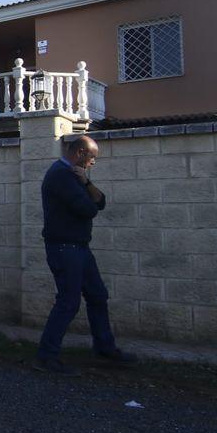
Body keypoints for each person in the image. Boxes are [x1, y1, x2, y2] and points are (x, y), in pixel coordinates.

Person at [35, 135, 137, 375]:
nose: (93, 163)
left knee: (98, 295)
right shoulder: (60, 175)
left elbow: (101, 203)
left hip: (78, 247)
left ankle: (104, 348)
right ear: (80, 153)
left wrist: (87, 183)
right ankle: (46, 357)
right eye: (92, 158)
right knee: (68, 302)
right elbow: (88, 209)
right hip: (64, 248)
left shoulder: (74, 175)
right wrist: (85, 188)